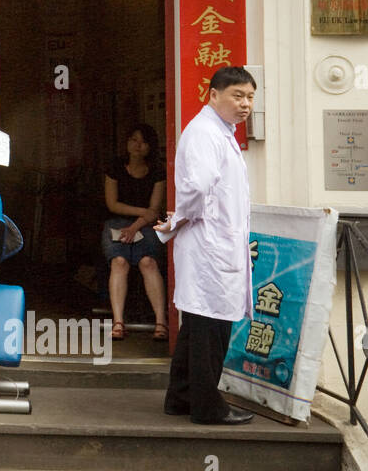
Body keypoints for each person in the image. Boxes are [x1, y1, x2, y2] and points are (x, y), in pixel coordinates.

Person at [154, 66, 257, 425]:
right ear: (213, 95)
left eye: (250, 97)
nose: (245, 104)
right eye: (237, 95)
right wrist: (179, 219)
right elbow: (197, 188)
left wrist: (177, 221)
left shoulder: (218, 131)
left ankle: (180, 397)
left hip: (214, 244)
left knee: (198, 324)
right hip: (209, 247)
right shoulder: (204, 132)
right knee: (209, 329)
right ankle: (208, 407)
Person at [102, 123, 167, 341]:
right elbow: (112, 204)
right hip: (118, 222)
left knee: (148, 262)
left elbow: (155, 210)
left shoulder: (157, 172)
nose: (138, 145)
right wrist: (142, 213)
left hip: (146, 225)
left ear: (151, 147)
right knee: (118, 262)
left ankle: (161, 323)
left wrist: (135, 225)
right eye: (134, 140)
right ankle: (118, 322)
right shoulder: (116, 167)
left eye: (144, 142)